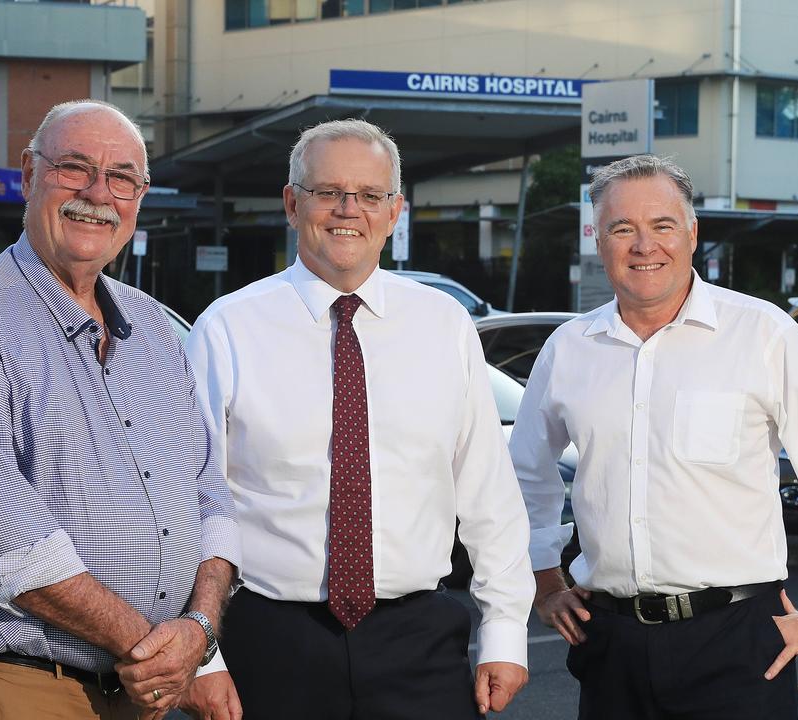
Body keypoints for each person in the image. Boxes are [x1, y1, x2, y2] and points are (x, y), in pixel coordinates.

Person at [509, 154, 798, 719]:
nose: (644, 246)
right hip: (610, 645)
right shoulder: (569, 349)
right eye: (623, 228)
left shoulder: (762, 332)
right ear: (598, 239)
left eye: (662, 226)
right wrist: (544, 579)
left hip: (738, 645)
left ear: (692, 233)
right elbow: (525, 473)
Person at [180, 118, 535, 720]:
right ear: (292, 204)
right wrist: (203, 656)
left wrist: (505, 631)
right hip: (268, 643)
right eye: (328, 192)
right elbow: (186, 501)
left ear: (394, 212)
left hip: (420, 642)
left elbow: (488, 493)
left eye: (370, 196)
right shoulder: (227, 328)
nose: (349, 210)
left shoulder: (443, 324)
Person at [0, 100, 239, 720]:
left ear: (140, 196)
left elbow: (211, 499)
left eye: (121, 178)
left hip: (141, 688)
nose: (96, 194)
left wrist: (199, 634)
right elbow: (7, 545)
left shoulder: (160, 333)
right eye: (74, 168)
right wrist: (161, 653)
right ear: (29, 176)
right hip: (21, 687)